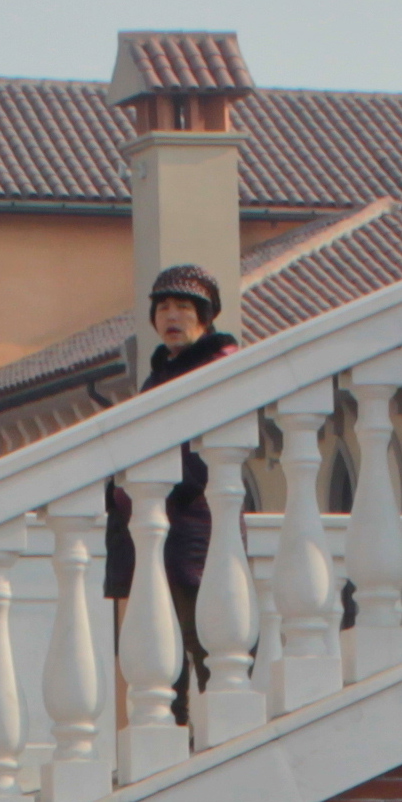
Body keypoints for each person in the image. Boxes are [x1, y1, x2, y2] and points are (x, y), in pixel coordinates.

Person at [98, 264, 241, 714]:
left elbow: (202, 457)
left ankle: (219, 735)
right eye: (163, 308)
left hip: (196, 528)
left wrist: (151, 493)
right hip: (160, 527)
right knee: (162, 645)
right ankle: (174, 737)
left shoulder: (217, 367)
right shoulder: (161, 374)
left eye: (183, 307)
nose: (172, 316)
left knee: (205, 638)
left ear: (205, 316)